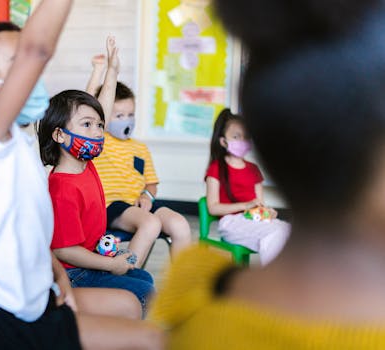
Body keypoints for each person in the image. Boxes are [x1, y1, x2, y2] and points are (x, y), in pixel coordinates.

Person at [150, 0, 385, 348]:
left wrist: (258, 208)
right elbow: (216, 208)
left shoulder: (191, 289)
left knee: (275, 230)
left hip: (257, 226)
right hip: (237, 222)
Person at [0, 2, 163, 349]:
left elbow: (33, 233)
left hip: (38, 295)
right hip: (5, 317)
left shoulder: (15, 143)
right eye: (18, 63)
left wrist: (60, 280)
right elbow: (37, 48)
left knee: (132, 304)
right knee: (153, 339)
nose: (32, 73)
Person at [38, 37, 155, 314]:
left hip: (91, 260)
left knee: (145, 280)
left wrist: (112, 71)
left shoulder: (84, 163)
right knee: (142, 292)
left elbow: (99, 106)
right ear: (59, 135)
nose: (97, 131)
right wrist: (110, 265)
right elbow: (64, 251)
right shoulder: (62, 186)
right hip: (73, 273)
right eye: (87, 125)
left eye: (100, 125)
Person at [87, 62, 192, 261]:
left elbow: (151, 183)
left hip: (139, 205)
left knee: (180, 224)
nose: (127, 120)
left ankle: (182, 287)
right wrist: (99, 71)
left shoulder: (140, 148)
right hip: (111, 206)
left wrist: (146, 197)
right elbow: (88, 108)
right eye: (119, 115)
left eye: (130, 114)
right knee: (150, 223)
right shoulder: (98, 140)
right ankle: (127, 280)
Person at [205, 108, 290, 265]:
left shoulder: (253, 170)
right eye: (236, 137)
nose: (242, 141)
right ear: (223, 141)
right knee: (274, 234)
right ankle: (274, 283)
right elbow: (213, 208)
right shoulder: (216, 168)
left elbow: (259, 204)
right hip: (231, 222)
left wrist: (267, 212)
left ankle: (294, 281)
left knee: (291, 231)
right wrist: (246, 205)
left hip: (254, 219)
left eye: (246, 137)